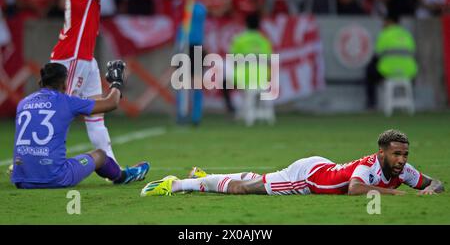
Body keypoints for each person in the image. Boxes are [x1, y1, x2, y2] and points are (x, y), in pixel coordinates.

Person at [141, 129, 443, 196]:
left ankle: (206, 175)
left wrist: (432, 188)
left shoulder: (404, 170)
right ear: (381, 153)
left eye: (404, 155)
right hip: (306, 178)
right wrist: (396, 193)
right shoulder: (368, 167)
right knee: (243, 189)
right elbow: (354, 189)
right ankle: (179, 184)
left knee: (258, 178)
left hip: (323, 167)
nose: (401, 160)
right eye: (396, 154)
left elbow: (435, 183)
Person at [49, 0, 133, 164]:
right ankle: (39, 161)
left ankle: (113, 168)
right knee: (60, 114)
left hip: (84, 58)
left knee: (96, 117)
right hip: (72, 57)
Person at [10, 62, 150, 189]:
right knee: (100, 155)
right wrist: (117, 83)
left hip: (21, 179)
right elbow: (111, 103)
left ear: (41, 81)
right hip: (54, 178)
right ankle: (123, 177)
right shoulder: (67, 101)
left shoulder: (23, 102)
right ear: (64, 84)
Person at [365, 14, 418, 109]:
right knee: (412, 71)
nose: (383, 24)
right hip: (408, 72)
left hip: (388, 71)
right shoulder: (407, 34)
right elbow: (413, 53)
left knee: (369, 70)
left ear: (390, 22)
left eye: (384, 22)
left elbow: (377, 55)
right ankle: (410, 98)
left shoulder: (385, 34)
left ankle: (371, 102)